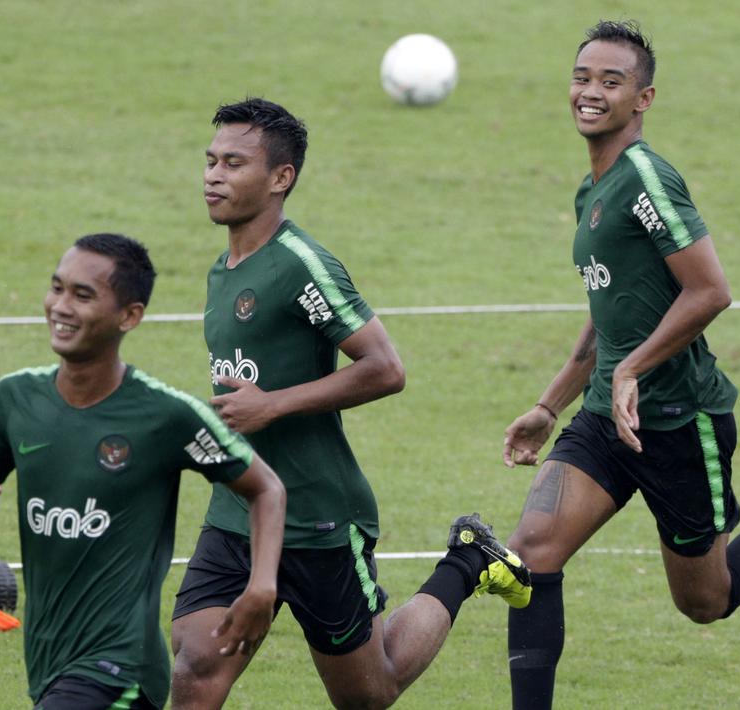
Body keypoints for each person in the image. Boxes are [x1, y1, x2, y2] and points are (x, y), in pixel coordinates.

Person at [500, 21, 740, 709]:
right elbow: (608, 310)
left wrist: (632, 370)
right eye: (582, 77)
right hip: (604, 418)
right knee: (532, 551)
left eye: (610, 82)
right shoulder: (591, 190)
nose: (590, 92)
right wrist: (550, 402)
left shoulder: (646, 177)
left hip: (678, 419)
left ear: (642, 98)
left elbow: (710, 289)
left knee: (706, 602)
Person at [170, 97, 531, 709]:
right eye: (210, 161)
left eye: (233, 163)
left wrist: (272, 406)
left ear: (281, 178)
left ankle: (466, 562)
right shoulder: (222, 269)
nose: (213, 175)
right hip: (241, 508)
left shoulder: (303, 266)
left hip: (318, 518)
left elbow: (386, 368)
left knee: (369, 693)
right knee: (195, 668)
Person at [0, 234, 286, 709]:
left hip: (120, 670)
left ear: (129, 316)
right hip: (50, 662)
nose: (61, 307)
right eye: (57, 288)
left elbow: (266, 488)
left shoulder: (163, 415)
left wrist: (261, 586)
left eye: (83, 295)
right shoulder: (16, 402)